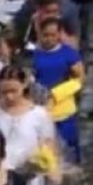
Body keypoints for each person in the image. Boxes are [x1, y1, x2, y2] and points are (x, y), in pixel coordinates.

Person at [0, 65, 58, 185]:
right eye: (4, 92)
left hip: (29, 178)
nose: (9, 96)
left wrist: (50, 172)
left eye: (14, 91)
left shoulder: (39, 114)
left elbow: (48, 146)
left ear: (24, 85)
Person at [30, 16, 83, 163]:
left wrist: (56, 94)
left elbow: (79, 80)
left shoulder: (69, 54)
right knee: (45, 149)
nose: (49, 38)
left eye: (53, 35)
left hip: (65, 110)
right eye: (45, 35)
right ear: (39, 34)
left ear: (59, 34)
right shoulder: (34, 55)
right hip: (42, 108)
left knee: (68, 150)